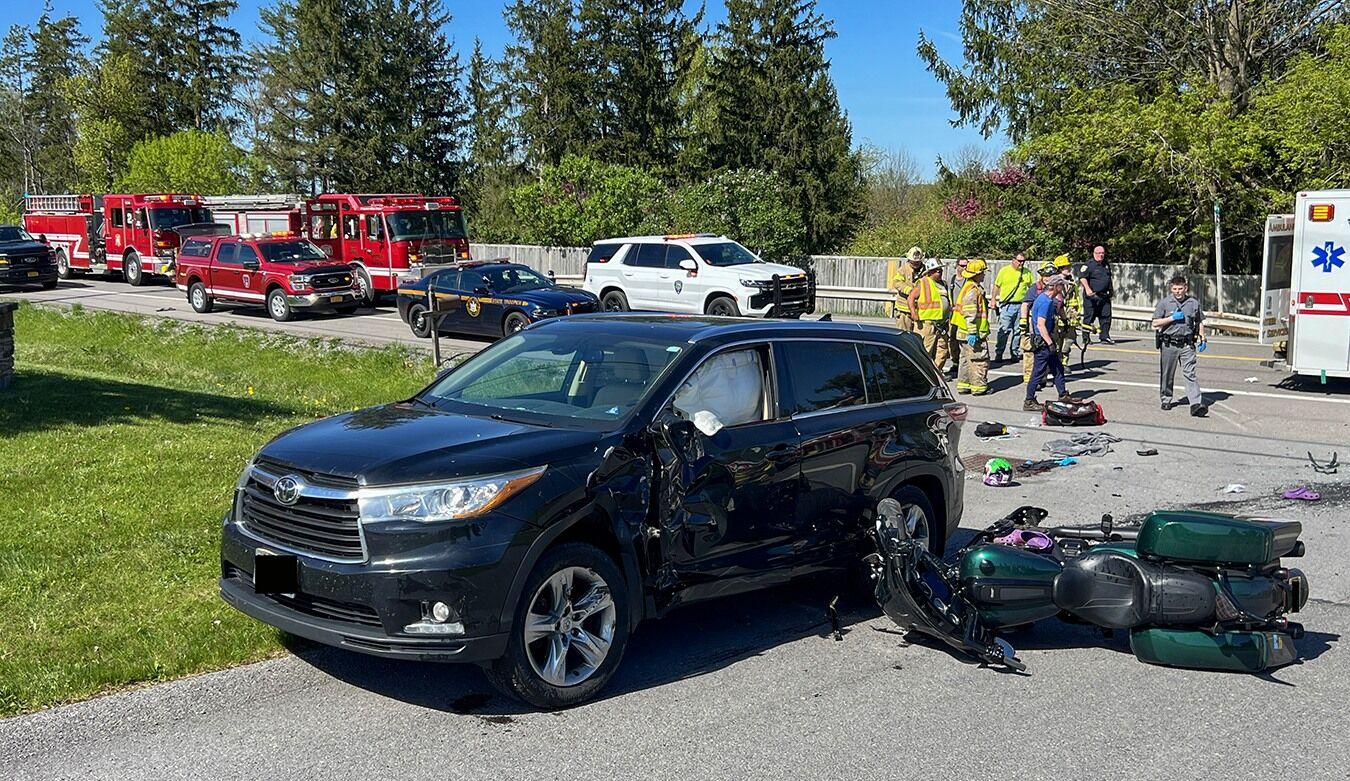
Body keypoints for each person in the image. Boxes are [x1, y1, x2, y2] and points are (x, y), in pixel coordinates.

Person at [1152, 275, 1208, 417]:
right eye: (1175, 289)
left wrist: (1203, 337)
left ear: (1186, 288)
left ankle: (1195, 403)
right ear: (1171, 288)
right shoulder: (1164, 303)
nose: (1178, 292)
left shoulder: (1193, 303)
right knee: (1167, 374)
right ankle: (1166, 398)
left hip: (1187, 345)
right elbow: (1155, 323)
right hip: (1169, 344)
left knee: (1190, 373)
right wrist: (1171, 318)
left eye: (1180, 289)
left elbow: (1199, 321)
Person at [1023, 278, 1073, 411]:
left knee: (1057, 368)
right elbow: (1040, 325)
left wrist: (1065, 321)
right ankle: (1029, 401)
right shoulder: (1045, 301)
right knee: (1038, 372)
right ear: (1055, 286)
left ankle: (1062, 394)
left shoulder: (1048, 299)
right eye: (1061, 286)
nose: (1063, 288)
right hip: (1042, 341)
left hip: (1046, 339)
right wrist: (1050, 344)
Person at [951, 258, 991, 395]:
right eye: (983, 272)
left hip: (963, 331)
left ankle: (964, 385)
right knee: (979, 359)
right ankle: (979, 387)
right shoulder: (973, 290)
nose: (984, 275)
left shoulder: (968, 286)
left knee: (966, 359)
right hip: (972, 332)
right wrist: (973, 332)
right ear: (977, 274)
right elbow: (970, 312)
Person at [907, 258, 950, 371]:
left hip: (941, 324)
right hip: (927, 324)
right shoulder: (924, 282)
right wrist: (913, 312)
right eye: (937, 270)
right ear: (930, 271)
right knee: (925, 351)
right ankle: (920, 374)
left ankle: (935, 373)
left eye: (940, 270)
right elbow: (911, 297)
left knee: (942, 350)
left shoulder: (943, 284)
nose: (940, 272)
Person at [1020, 262, 1058, 384]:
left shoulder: (1056, 289)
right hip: (1035, 326)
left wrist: (1065, 319)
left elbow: (1059, 306)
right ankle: (1030, 380)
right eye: (1046, 275)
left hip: (1050, 325)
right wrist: (1023, 321)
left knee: (1047, 351)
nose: (1048, 278)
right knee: (1031, 352)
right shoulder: (1035, 288)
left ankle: (1043, 377)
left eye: (1051, 275)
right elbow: (1025, 304)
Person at [993, 252, 1034, 363]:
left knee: (1018, 331)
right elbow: (997, 286)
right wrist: (993, 300)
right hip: (1007, 305)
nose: (1021, 263)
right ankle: (999, 353)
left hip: (1021, 305)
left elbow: (1032, 288)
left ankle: (1014, 353)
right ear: (1013, 260)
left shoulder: (1027, 273)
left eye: (1023, 261)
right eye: (1019, 261)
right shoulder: (1004, 271)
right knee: (1004, 330)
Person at [1078, 245, 1114, 344]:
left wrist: (1111, 290)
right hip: (1092, 296)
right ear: (1094, 253)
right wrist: (1088, 289)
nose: (1101, 255)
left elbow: (1108, 278)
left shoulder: (1106, 265)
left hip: (1104, 296)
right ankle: (1086, 338)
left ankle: (1105, 336)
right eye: (1098, 253)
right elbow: (1082, 278)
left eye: (1102, 253)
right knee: (1089, 317)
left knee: (1106, 317)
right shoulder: (1088, 265)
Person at [890, 246, 925, 333]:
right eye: (914, 262)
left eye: (918, 262)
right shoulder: (902, 270)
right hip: (904, 309)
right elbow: (897, 283)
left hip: (920, 310)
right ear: (909, 260)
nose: (916, 264)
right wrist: (910, 291)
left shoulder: (925, 270)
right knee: (904, 335)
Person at [944, 257, 970, 376]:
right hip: (953, 314)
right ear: (957, 266)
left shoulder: (969, 281)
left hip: (965, 314)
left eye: (966, 265)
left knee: (964, 339)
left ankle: (965, 361)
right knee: (953, 339)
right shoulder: (951, 281)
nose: (964, 268)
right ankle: (955, 362)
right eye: (962, 265)